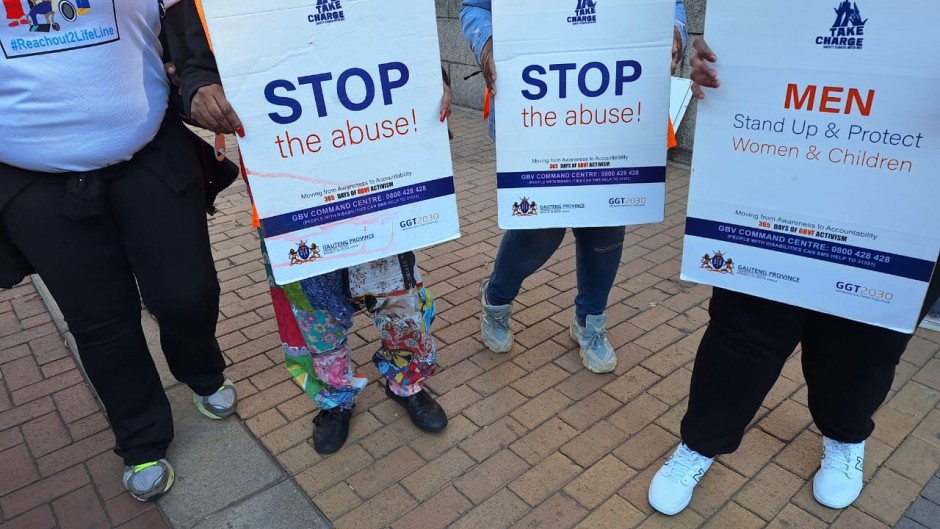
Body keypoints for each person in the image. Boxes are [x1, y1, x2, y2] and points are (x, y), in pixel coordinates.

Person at [646, 37, 940, 516]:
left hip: (901, 206)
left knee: (865, 343)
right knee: (740, 338)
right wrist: (728, 73)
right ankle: (700, 444)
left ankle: (845, 437)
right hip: (780, 196)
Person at [179, 0, 451, 454]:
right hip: (294, 192)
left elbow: (399, 33)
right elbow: (195, 66)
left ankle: (407, 381)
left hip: (375, 175)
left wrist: (431, 78)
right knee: (312, 313)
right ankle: (335, 396)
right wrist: (198, 90)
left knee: (398, 296)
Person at [0, 0, 236, 502]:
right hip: (35, 182)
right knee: (100, 321)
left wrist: (198, 77)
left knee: (187, 293)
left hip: (150, 154)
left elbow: (188, 24)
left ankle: (201, 370)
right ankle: (141, 437)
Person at [459, 0, 688, 373]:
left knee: (606, 227)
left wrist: (674, 32)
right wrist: (488, 43)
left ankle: (589, 320)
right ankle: (496, 300)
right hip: (539, 109)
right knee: (538, 232)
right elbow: (474, 7)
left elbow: (672, 4)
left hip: (615, 108)